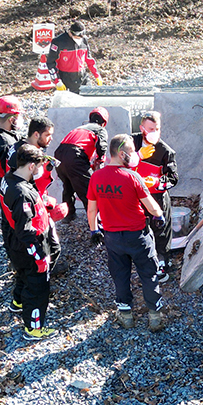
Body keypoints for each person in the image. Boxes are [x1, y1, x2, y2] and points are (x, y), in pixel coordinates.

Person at [87, 134, 169, 332]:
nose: (134, 155)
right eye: (132, 151)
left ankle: (126, 315)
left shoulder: (96, 177)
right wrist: (159, 217)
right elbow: (152, 207)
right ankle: (155, 316)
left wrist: (94, 230)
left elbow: (91, 210)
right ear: (122, 153)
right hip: (138, 236)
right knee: (148, 274)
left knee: (120, 275)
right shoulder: (132, 177)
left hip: (113, 238)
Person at [2, 143, 60, 341]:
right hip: (29, 246)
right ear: (31, 166)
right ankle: (34, 329)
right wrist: (40, 256)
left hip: (15, 244)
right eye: (39, 166)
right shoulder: (21, 193)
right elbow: (26, 230)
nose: (40, 170)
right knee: (37, 287)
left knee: (23, 276)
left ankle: (17, 302)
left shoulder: (9, 179)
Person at [9, 115, 67, 284]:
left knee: (51, 246)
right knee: (39, 247)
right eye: (48, 135)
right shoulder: (20, 157)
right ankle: (37, 280)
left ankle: (41, 273)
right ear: (36, 134)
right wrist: (44, 203)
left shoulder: (26, 149)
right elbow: (26, 188)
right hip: (29, 212)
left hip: (34, 205)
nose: (51, 139)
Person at [132, 111, 179, 282]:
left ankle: (162, 264)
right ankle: (140, 260)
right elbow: (118, 162)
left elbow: (174, 179)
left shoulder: (165, 151)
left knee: (160, 231)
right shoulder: (131, 143)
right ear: (141, 128)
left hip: (157, 198)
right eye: (150, 128)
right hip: (134, 196)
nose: (154, 132)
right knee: (137, 229)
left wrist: (157, 182)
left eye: (157, 129)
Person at [53, 107, 109, 222]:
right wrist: (100, 160)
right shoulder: (99, 129)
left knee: (68, 186)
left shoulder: (79, 128)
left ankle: (68, 215)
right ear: (104, 123)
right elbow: (102, 146)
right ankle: (96, 222)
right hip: (75, 156)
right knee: (88, 190)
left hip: (59, 155)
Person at [44, 20, 103, 93]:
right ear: (71, 33)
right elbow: (50, 62)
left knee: (88, 98)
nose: (80, 40)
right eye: (78, 37)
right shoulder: (58, 42)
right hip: (66, 77)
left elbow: (89, 59)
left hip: (82, 75)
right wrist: (57, 81)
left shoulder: (84, 40)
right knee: (71, 102)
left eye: (81, 37)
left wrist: (97, 75)